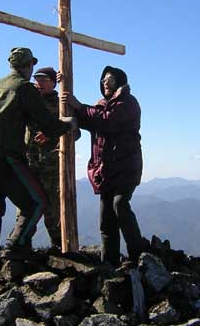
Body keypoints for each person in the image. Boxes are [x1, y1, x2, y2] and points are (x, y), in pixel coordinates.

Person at [0, 47, 76, 277]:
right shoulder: (24, 88)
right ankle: (16, 247)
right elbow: (46, 124)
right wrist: (68, 124)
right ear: (29, 65)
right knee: (36, 202)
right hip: (7, 156)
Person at [61, 66, 146, 267]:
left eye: (110, 79)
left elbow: (107, 120)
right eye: (104, 79)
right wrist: (61, 84)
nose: (106, 82)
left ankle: (139, 256)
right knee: (106, 220)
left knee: (120, 204)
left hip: (126, 168)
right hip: (106, 171)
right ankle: (109, 263)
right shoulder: (100, 106)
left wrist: (79, 105)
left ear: (120, 82)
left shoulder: (128, 103)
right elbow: (89, 118)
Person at [25, 67, 62, 249]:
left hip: (50, 167)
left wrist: (51, 134)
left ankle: (59, 245)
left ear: (54, 83)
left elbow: (74, 131)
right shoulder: (29, 101)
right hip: (29, 164)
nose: (39, 83)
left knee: (52, 209)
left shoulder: (61, 104)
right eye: (37, 79)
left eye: (44, 80)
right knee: (27, 206)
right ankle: (22, 247)